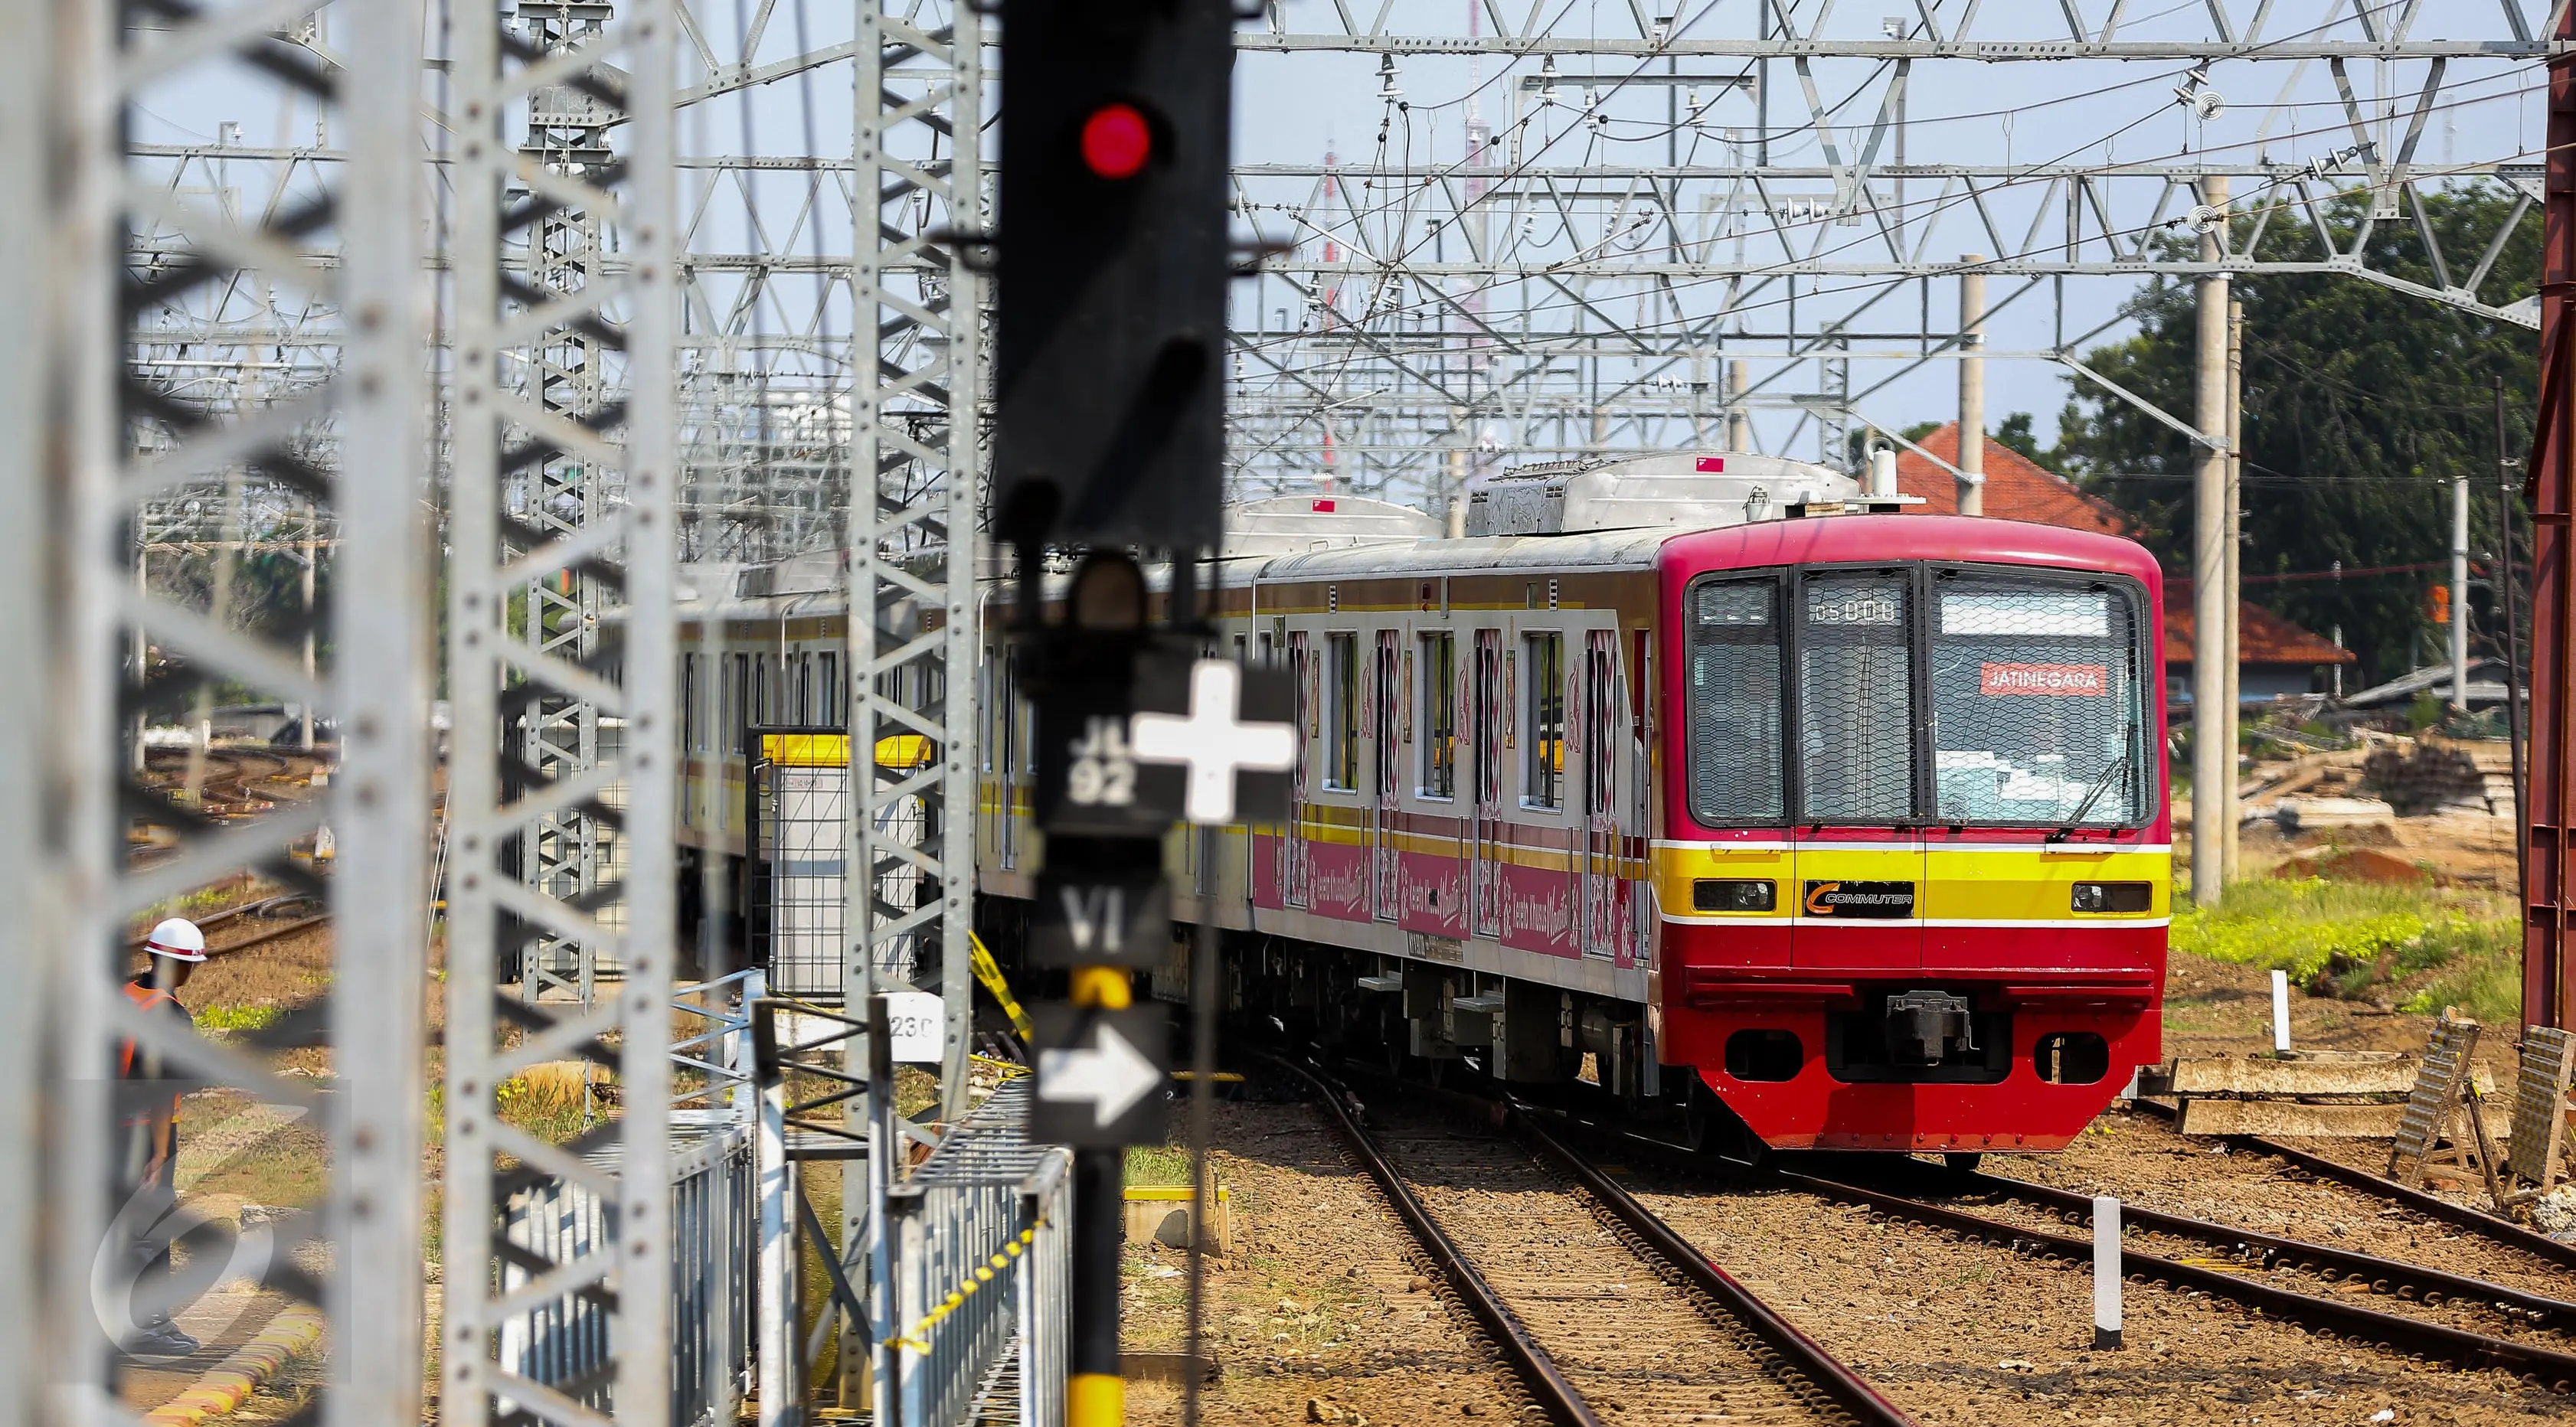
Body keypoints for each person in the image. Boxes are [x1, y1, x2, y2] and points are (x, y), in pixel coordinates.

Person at [115, 917, 205, 1358]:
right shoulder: (170, 1014)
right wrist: (161, 1153)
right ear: (184, 968)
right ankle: (145, 1327)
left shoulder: (125, 995)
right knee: (148, 1231)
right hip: (144, 1136)